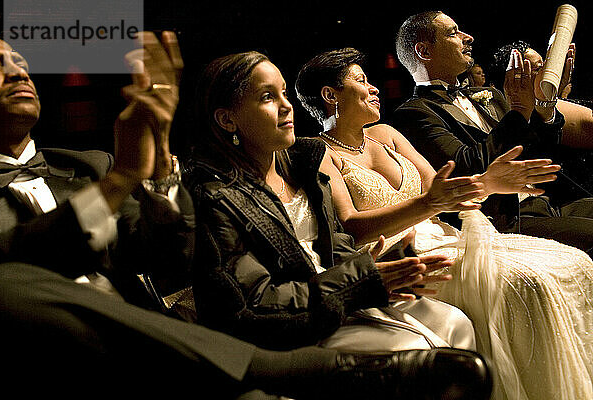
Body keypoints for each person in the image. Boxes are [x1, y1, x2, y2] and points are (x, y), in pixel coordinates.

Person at [0, 34, 493, 400]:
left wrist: (160, 171)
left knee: (453, 322)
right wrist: (123, 179)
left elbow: (166, 257)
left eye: (21, 60)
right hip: (68, 346)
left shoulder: (86, 165)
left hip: (159, 336)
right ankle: (281, 372)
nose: (19, 71)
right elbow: (16, 266)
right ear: (227, 120)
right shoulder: (155, 181)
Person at [294, 46, 593, 400]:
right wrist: (427, 204)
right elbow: (352, 225)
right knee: (528, 282)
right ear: (330, 95)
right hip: (395, 255)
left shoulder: (388, 135)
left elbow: (443, 190)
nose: (374, 88)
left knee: (574, 262)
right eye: (361, 81)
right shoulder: (316, 151)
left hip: (443, 234)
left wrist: (488, 183)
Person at [183, 50, 486, 361]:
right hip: (292, 325)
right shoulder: (216, 197)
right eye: (266, 97)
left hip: (339, 297)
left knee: (456, 323)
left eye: (284, 93)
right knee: (418, 352)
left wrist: (389, 264)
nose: (287, 106)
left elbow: (336, 246)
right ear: (227, 119)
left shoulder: (304, 163)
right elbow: (256, 303)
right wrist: (361, 281)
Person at [391, 11, 593, 256]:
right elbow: (465, 167)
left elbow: (543, 151)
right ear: (424, 51)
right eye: (453, 33)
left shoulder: (491, 97)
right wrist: (518, 111)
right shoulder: (414, 112)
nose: (469, 37)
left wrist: (546, 102)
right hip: (504, 221)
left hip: (549, 203)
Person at [488, 41, 593, 202]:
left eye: (545, 64)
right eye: (538, 68)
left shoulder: (548, 109)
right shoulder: (515, 120)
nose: (548, 71)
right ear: (513, 79)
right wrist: (547, 103)